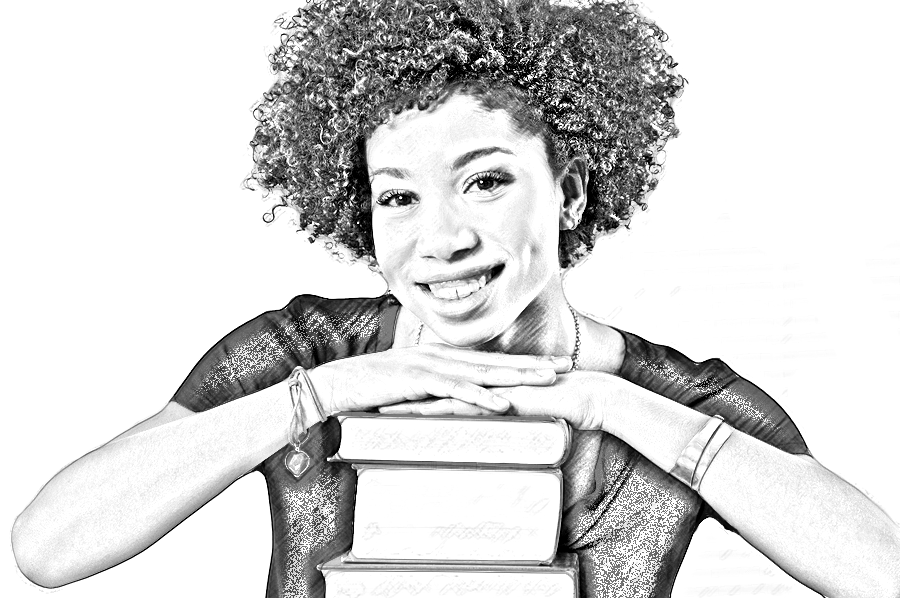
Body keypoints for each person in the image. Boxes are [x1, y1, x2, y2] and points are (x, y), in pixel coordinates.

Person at [8, 1, 900, 597]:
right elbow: (49, 550)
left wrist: (603, 402)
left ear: (574, 192)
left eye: (484, 182)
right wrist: (324, 396)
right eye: (398, 196)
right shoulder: (306, 353)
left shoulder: (672, 401)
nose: (440, 240)